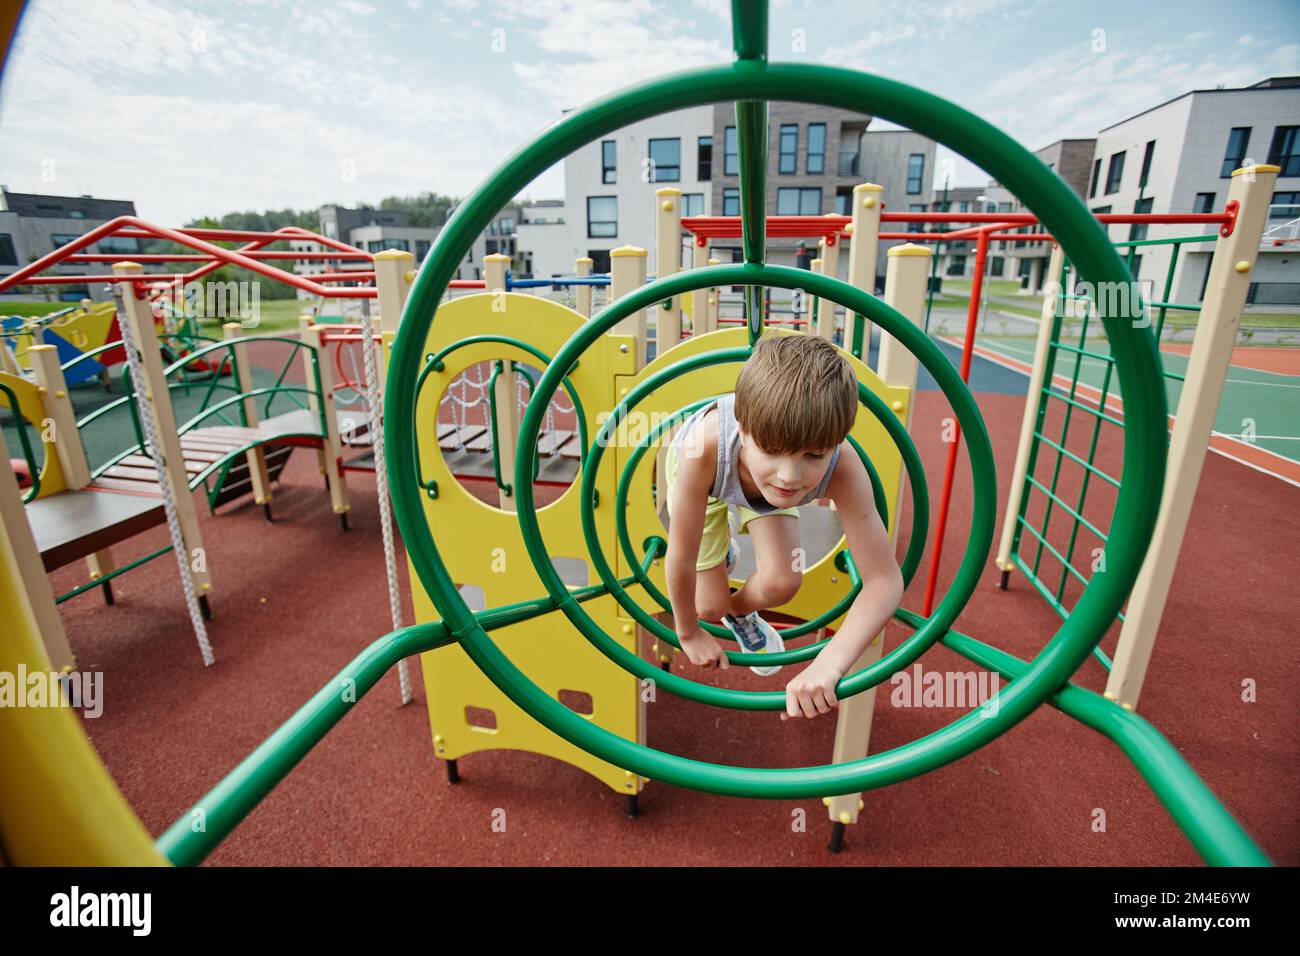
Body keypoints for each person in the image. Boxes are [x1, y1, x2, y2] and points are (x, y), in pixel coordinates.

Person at [663, 333, 904, 720]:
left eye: (813, 456)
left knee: (783, 582)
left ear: (837, 442)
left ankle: (739, 613)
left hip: (759, 488)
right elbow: (681, 555)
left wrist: (830, 663)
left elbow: (884, 580)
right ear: (742, 431)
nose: (791, 476)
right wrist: (687, 632)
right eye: (772, 450)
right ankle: (723, 561)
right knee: (707, 607)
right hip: (712, 483)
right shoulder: (703, 449)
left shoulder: (842, 465)